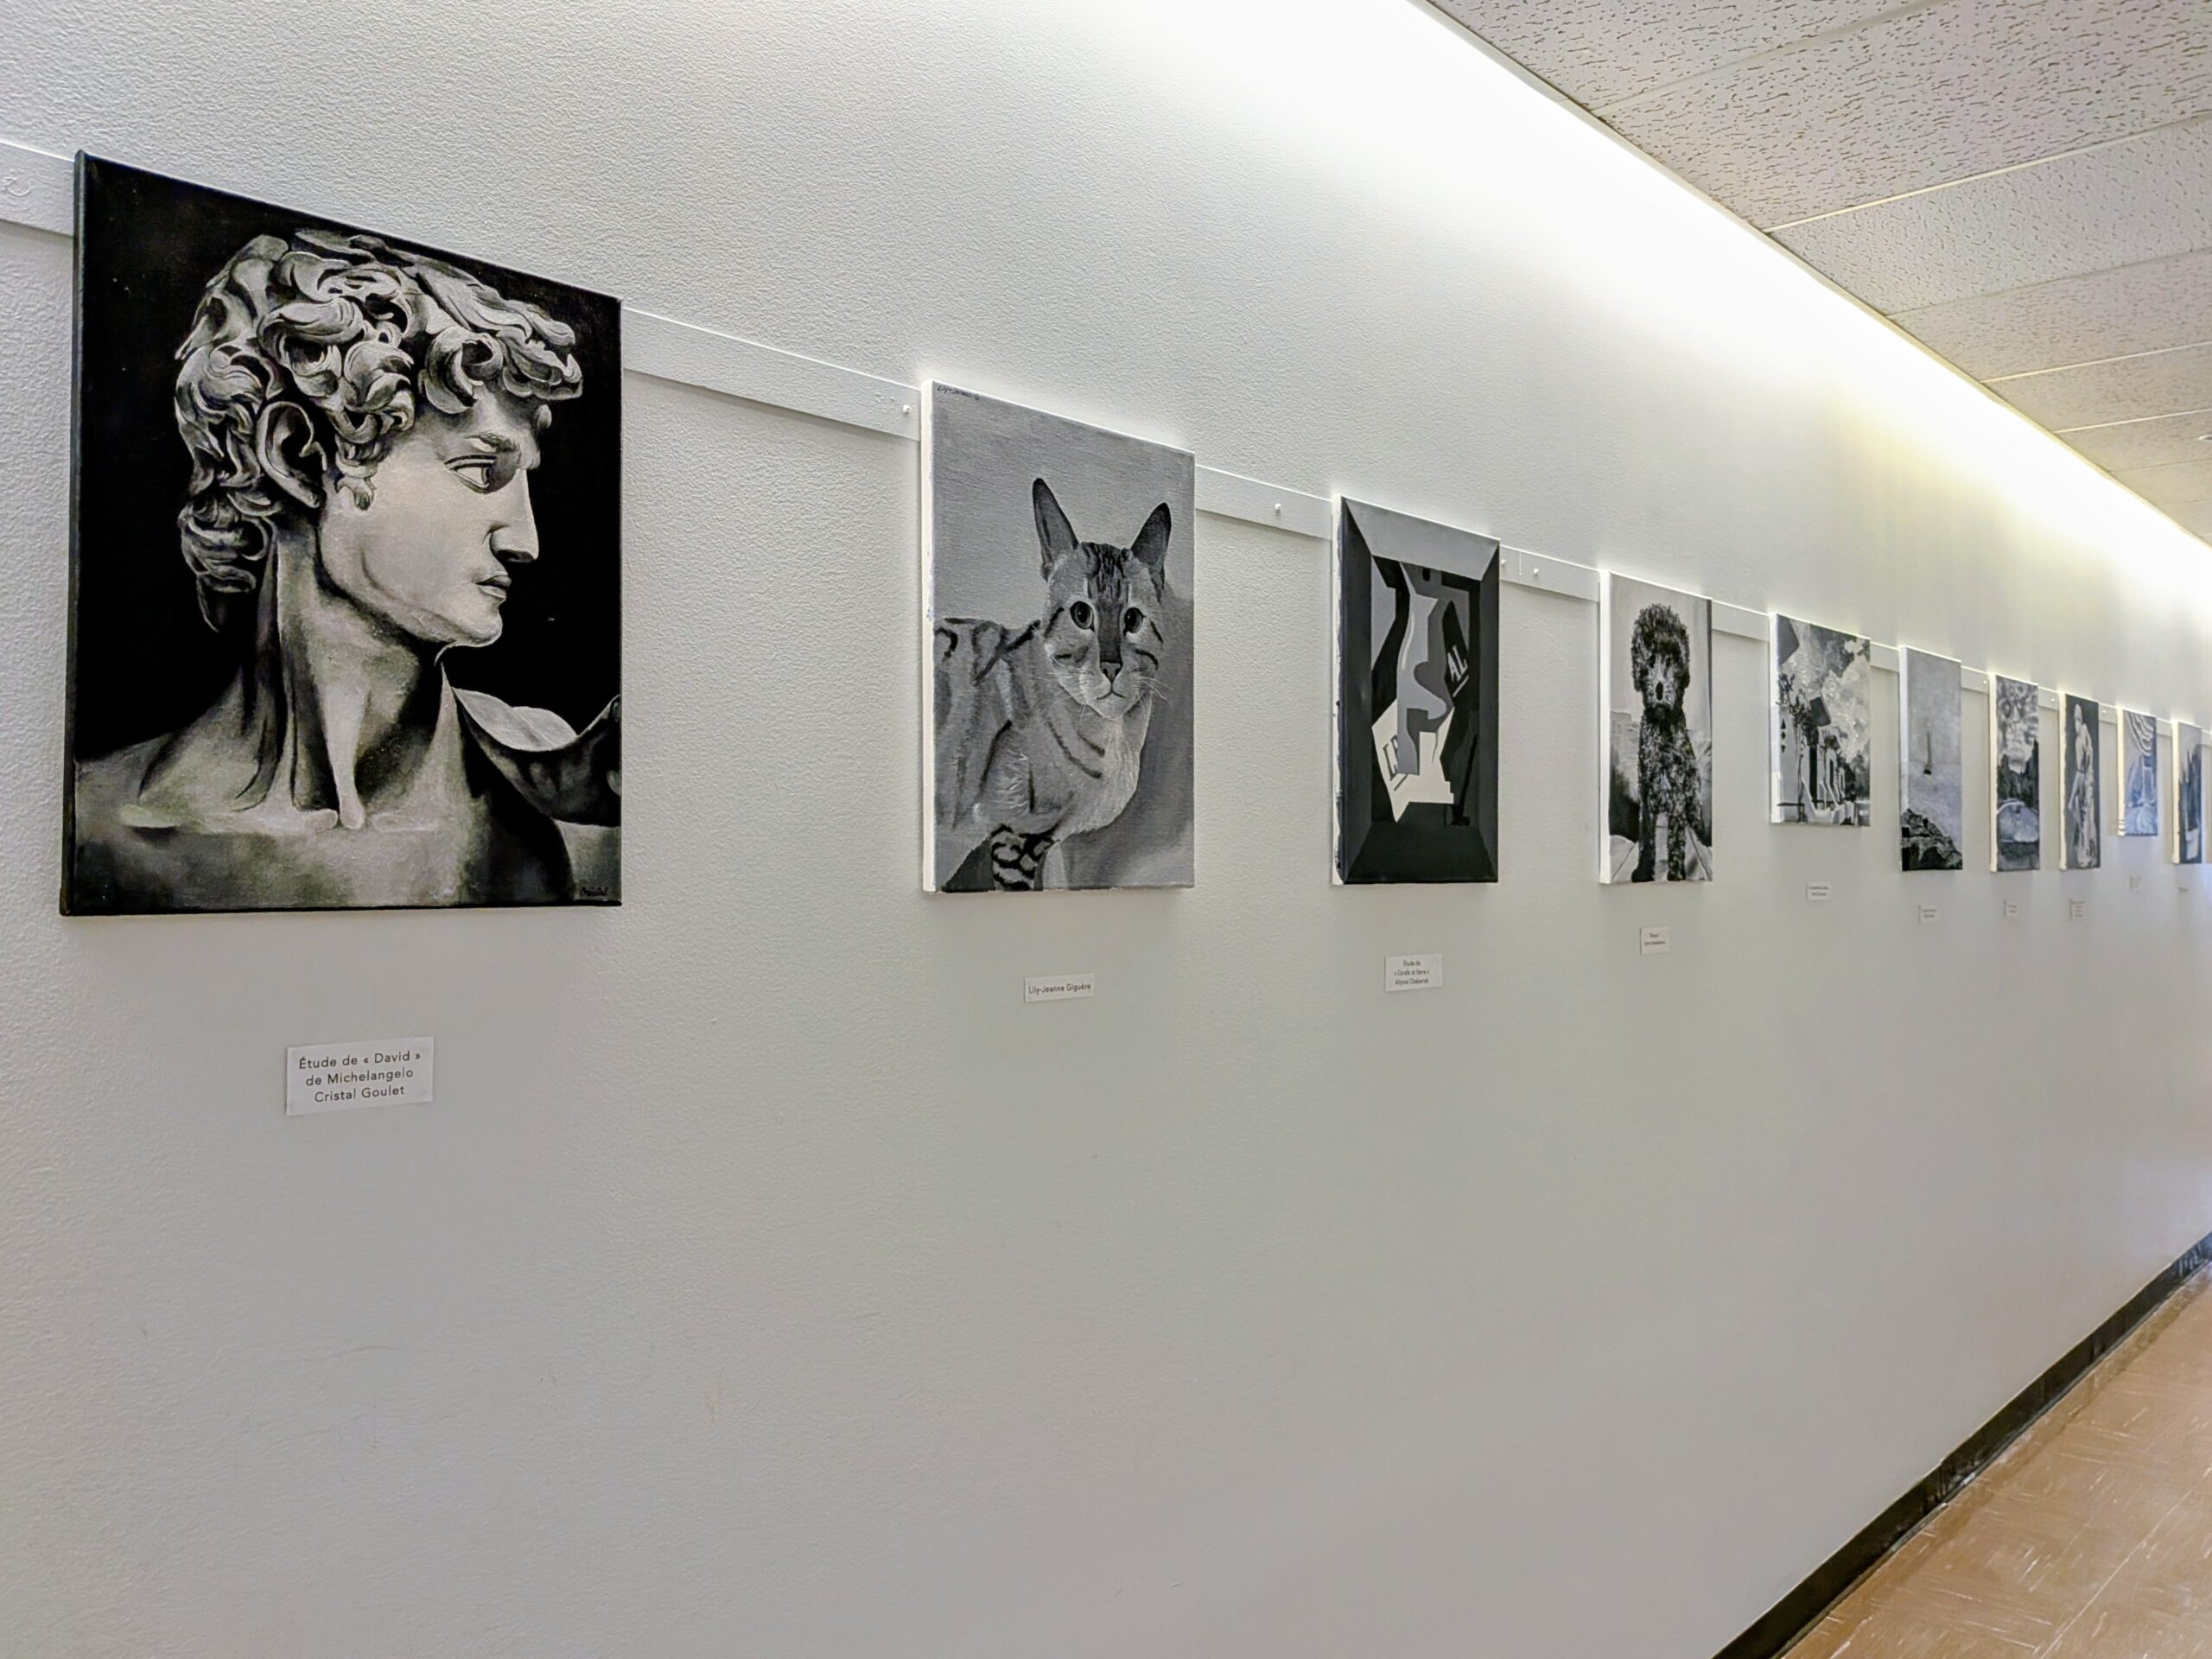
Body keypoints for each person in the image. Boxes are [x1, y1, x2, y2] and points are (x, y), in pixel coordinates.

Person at [71, 227, 618, 912]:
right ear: (299, 457)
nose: (526, 541)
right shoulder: (98, 824)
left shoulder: (574, 810)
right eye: (481, 470)